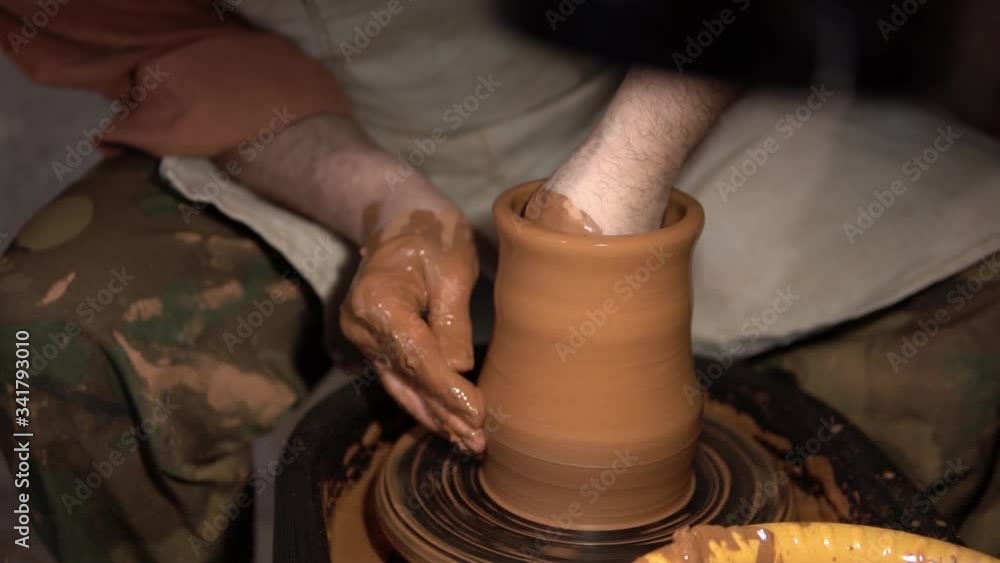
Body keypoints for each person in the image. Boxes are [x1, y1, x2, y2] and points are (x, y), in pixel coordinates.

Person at [1, 0, 998, 560]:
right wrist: (385, 207)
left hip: (693, 83)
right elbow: (164, 40)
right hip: (330, 115)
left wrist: (616, 185)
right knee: (35, 349)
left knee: (960, 352)